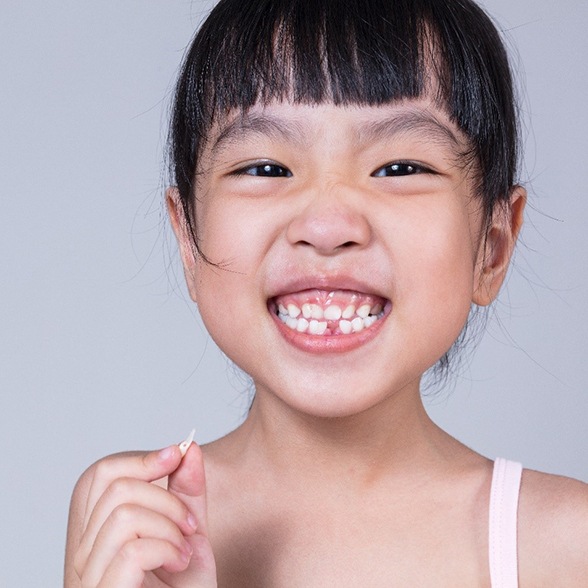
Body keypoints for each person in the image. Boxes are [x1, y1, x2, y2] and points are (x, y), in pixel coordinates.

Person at [64, 0, 588, 585]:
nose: (328, 224)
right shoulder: (135, 522)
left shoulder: (564, 542)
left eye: (399, 167)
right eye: (264, 169)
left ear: (491, 246)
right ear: (188, 241)